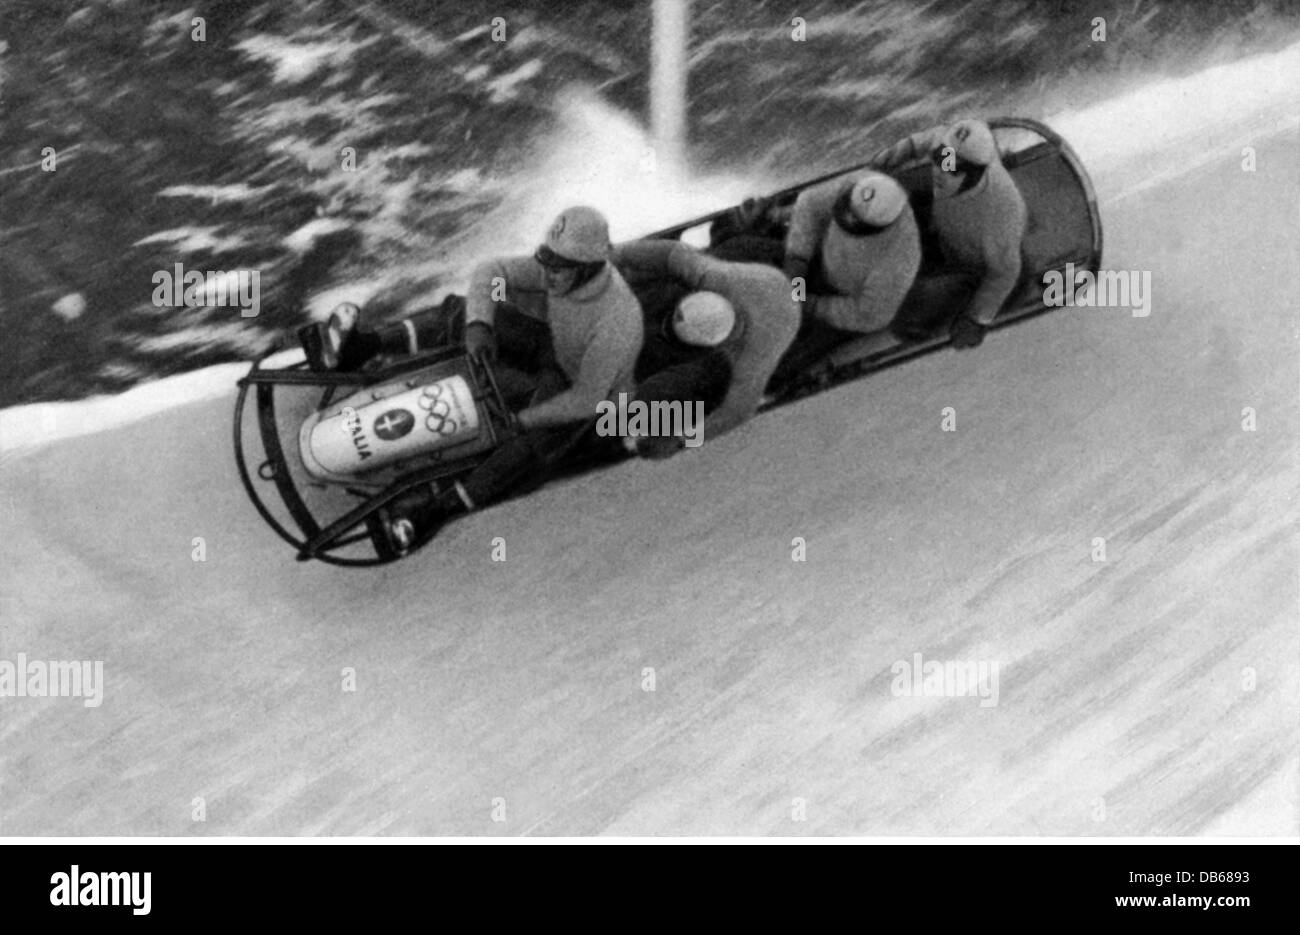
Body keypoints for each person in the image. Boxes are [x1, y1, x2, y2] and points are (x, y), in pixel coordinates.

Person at [324, 206, 644, 554]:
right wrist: (480, 323)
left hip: (592, 394)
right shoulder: (562, 271)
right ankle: (362, 347)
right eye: (547, 260)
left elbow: (586, 398)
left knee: (535, 444)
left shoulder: (615, 321)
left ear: (585, 269)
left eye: (559, 267)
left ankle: (432, 512)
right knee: (463, 311)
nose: (548, 272)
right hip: (551, 346)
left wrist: (525, 419)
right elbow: (493, 272)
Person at [613, 239, 800, 457]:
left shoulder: (752, 355)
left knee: (700, 379)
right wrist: (617, 255)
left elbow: (738, 411)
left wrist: (681, 440)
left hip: (791, 301)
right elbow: (671, 253)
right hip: (760, 275)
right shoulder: (714, 277)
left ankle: (803, 294)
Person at [868, 118, 1027, 348]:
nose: (940, 172)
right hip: (943, 232)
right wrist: (881, 163)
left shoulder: (1001, 216)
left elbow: (1005, 273)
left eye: (952, 168)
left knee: (906, 312)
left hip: (970, 269)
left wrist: (976, 318)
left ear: (976, 174)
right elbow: (916, 144)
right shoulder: (948, 145)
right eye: (941, 159)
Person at [770, 170, 920, 383]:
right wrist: (796, 265)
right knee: (740, 252)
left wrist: (811, 306)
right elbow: (809, 204)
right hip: (811, 263)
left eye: (854, 224)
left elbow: (870, 316)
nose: (846, 221)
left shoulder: (898, 261)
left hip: (840, 303)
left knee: (777, 366)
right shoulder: (860, 182)